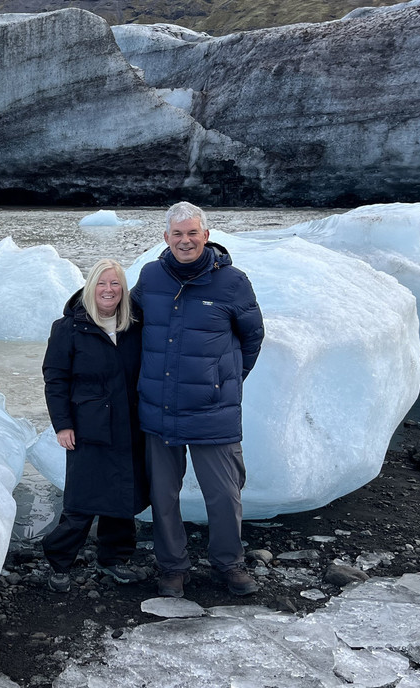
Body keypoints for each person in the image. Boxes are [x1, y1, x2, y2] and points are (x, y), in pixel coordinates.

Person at [131, 201, 264, 598]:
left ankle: (230, 563)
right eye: (177, 234)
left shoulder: (233, 282)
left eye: (192, 233)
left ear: (207, 236)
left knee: (224, 494)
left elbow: (253, 337)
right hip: (159, 408)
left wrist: (225, 381)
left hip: (212, 410)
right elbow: (130, 323)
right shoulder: (151, 277)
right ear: (166, 237)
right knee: (164, 495)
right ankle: (172, 567)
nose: (185, 241)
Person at [41, 258, 149, 593]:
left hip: (129, 424)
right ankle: (59, 561)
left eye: (115, 284)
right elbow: (55, 379)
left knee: (122, 494)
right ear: (90, 287)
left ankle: (113, 559)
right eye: (101, 284)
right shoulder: (69, 328)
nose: (108, 290)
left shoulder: (134, 325)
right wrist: (62, 424)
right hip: (88, 425)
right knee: (81, 498)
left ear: (123, 290)